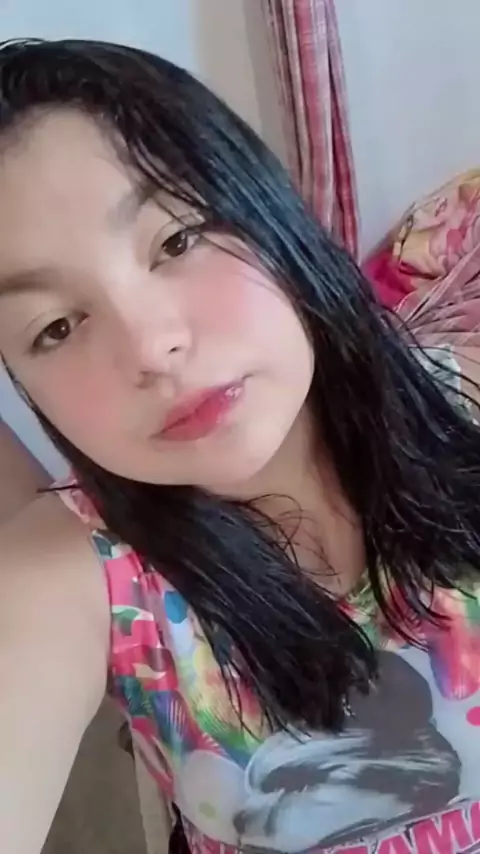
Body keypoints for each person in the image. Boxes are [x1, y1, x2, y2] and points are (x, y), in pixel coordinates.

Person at [1, 38, 480, 854]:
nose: (151, 348)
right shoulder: (75, 575)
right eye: (55, 327)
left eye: (176, 241)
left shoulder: (462, 405)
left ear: (267, 208)